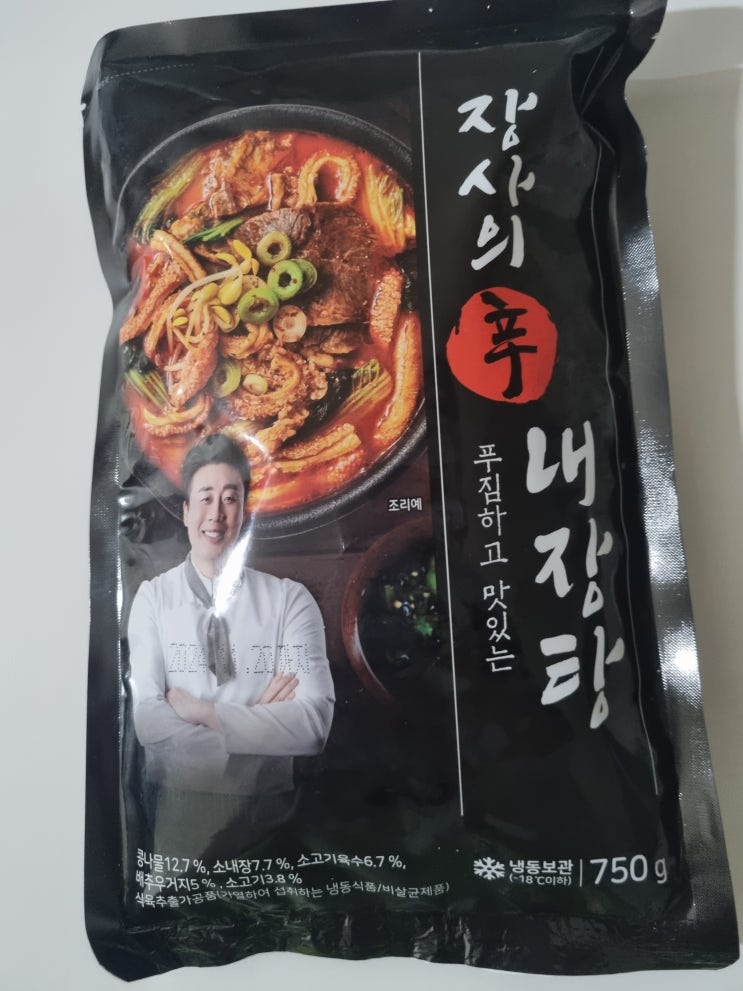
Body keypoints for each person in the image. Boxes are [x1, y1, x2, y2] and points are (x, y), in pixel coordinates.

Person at [127, 434, 335, 855]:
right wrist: (258, 723)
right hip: (175, 811)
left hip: (270, 816)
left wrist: (205, 713)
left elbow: (313, 725)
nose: (216, 514)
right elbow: (148, 721)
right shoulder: (152, 598)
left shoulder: (289, 599)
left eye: (230, 499)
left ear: (244, 511)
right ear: (186, 511)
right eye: (205, 498)